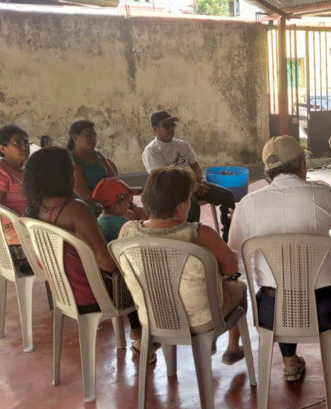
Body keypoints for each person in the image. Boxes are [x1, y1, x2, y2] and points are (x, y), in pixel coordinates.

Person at [228, 135, 331, 397]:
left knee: (279, 286)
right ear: (302, 164)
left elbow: (235, 249)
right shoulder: (322, 193)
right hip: (323, 310)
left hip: (270, 312)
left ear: (268, 171)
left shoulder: (248, 204)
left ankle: (290, 363)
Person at [118, 166, 247, 365]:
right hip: (200, 319)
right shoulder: (200, 234)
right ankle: (232, 348)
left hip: (152, 317)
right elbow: (232, 270)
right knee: (239, 286)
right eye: (189, 199)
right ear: (180, 206)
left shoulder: (127, 231)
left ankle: (156, 342)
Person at [23, 147, 144, 354]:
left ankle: (138, 332)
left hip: (64, 291)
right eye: (72, 171)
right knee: (148, 275)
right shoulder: (76, 210)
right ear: (60, 176)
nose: (76, 177)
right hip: (93, 294)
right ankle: (146, 339)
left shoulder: (34, 209)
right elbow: (106, 263)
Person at [141, 111, 235, 241]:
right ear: (155, 129)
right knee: (191, 204)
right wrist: (192, 187)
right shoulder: (152, 151)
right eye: (166, 125)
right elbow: (164, 180)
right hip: (171, 191)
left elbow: (195, 167)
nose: (171, 128)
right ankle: (191, 242)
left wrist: (202, 180)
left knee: (227, 196)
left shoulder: (183, 145)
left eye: (172, 124)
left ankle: (228, 237)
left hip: (194, 185)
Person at [68, 120, 146, 219]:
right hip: (92, 206)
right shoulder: (71, 160)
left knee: (143, 212)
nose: (93, 138)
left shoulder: (97, 155)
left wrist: (128, 191)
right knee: (130, 216)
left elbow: (115, 180)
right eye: (88, 135)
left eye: (94, 135)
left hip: (112, 202)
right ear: (75, 137)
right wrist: (115, 201)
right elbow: (85, 195)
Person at [0, 125, 31, 270]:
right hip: (16, 233)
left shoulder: (25, 169)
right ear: (2, 148)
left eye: (26, 142)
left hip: (29, 223)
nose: (24, 147)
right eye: (17, 143)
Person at [93, 177, 134, 243]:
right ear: (115, 207)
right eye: (127, 203)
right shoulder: (123, 224)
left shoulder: (98, 221)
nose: (128, 206)